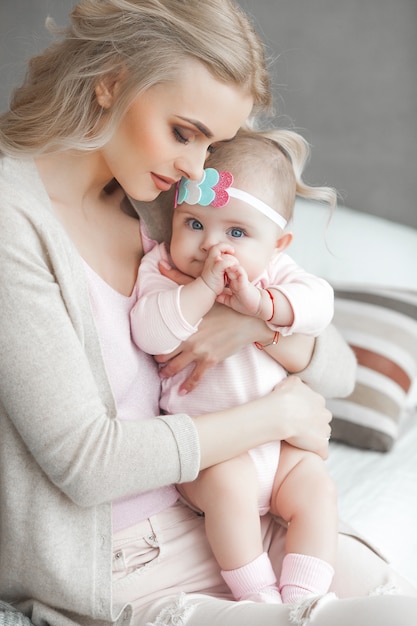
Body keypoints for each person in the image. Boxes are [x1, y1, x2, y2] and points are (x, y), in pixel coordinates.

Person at [0, 1, 416, 626]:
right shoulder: (14, 223)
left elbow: (337, 368)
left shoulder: (159, 209)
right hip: (121, 561)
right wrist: (277, 414)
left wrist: (250, 323)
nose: (197, 171)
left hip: (248, 518)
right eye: (183, 131)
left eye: (213, 144)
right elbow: (87, 463)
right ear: (111, 82)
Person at [131, 127, 339, 606]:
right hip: (213, 450)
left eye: (237, 233)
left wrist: (261, 308)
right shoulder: (164, 270)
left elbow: (319, 305)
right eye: (195, 224)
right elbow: (150, 334)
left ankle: (305, 599)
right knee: (230, 490)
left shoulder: (273, 275)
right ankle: (259, 597)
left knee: (318, 492)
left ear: (278, 243)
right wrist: (202, 289)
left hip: (280, 449)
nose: (211, 247)